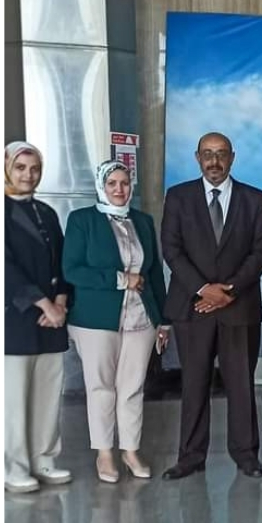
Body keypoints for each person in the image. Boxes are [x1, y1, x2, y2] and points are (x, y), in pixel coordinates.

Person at [160, 132, 262, 479]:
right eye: (208, 154)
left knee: (241, 385)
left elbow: (261, 252)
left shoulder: (255, 199)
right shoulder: (178, 197)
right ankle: (191, 457)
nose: (214, 161)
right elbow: (171, 249)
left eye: (221, 154)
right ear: (197, 158)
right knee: (194, 385)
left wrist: (229, 291)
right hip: (192, 307)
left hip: (239, 306)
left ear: (232, 157)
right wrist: (204, 290)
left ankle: (246, 455)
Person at [63, 160, 169, 482]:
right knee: (101, 388)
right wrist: (121, 279)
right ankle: (105, 453)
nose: (119, 189)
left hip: (141, 318)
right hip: (95, 319)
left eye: (124, 183)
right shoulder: (82, 220)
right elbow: (72, 270)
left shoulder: (142, 221)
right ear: (102, 186)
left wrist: (163, 320)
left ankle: (131, 451)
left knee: (132, 388)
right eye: (112, 184)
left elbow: (153, 272)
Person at [4, 142, 72, 493]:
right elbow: (3, 267)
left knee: (47, 395)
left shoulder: (46, 212)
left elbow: (63, 262)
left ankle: (44, 458)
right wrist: (44, 304)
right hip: (14, 321)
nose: (28, 175)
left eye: (34, 169)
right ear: (6, 169)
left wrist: (60, 301)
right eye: (20, 168)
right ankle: (12, 467)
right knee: (13, 399)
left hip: (51, 321)